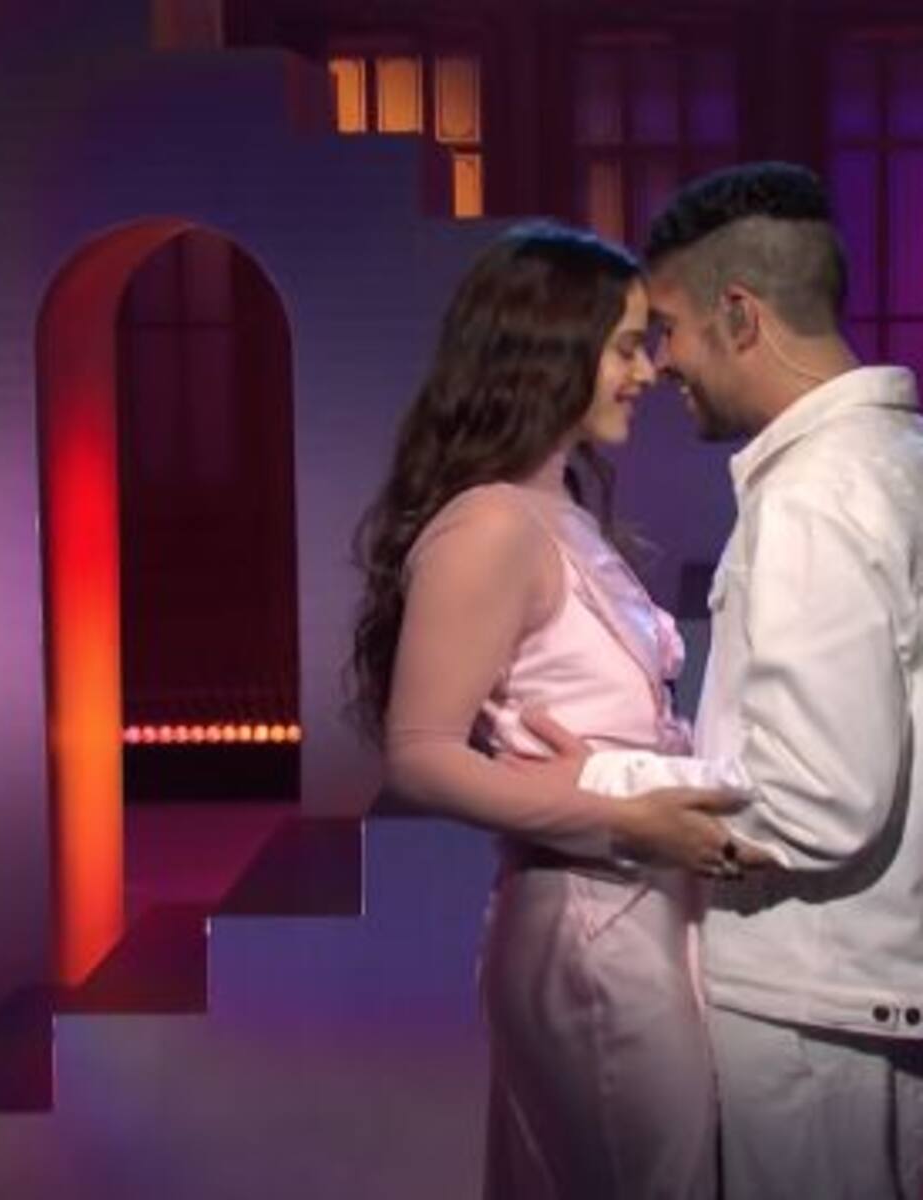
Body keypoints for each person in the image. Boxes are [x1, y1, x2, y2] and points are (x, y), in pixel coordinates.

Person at [348, 221, 761, 1200]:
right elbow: (420, 754)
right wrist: (622, 815)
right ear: (549, 353)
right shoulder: (491, 524)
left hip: (634, 909)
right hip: (586, 927)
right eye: (623, 347)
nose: (647, 371)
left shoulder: (557, 506)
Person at [534, 162, 923, 1197]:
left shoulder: (815, 496)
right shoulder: (898, 457)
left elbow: (822, 799)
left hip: (815, 1010)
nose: (660, 364)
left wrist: (604, 782)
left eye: (669, 329)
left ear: (741, 316)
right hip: (862, 990)